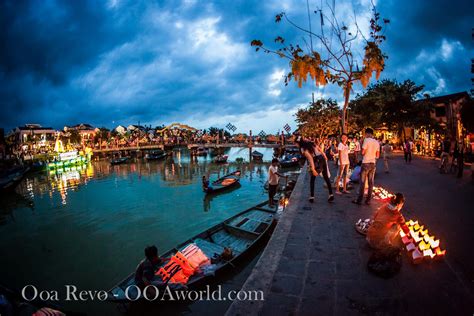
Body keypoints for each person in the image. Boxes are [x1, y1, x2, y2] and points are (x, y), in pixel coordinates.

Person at [296, 136, 334, 203]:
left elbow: (310, 158)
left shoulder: (302, 149)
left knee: (312, 179)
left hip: (315, 161)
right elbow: (320, 149)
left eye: (295, 143)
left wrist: (313, 169)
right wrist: (325, 156)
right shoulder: (311, 143)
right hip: (321, 158)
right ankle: (331, 194)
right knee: (326, 177)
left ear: (298, 143)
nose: (295, 145)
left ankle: (312, 196)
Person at [353, 128, 379, 205]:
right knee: (371, 182)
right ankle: (368, 200)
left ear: (367, 134)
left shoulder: (366, 140)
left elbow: (363, 152)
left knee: (362, 182)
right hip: (373, 163)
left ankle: (359, 200)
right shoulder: (376, 142)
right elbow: (377, 155)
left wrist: (362, 149)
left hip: (366, 163)